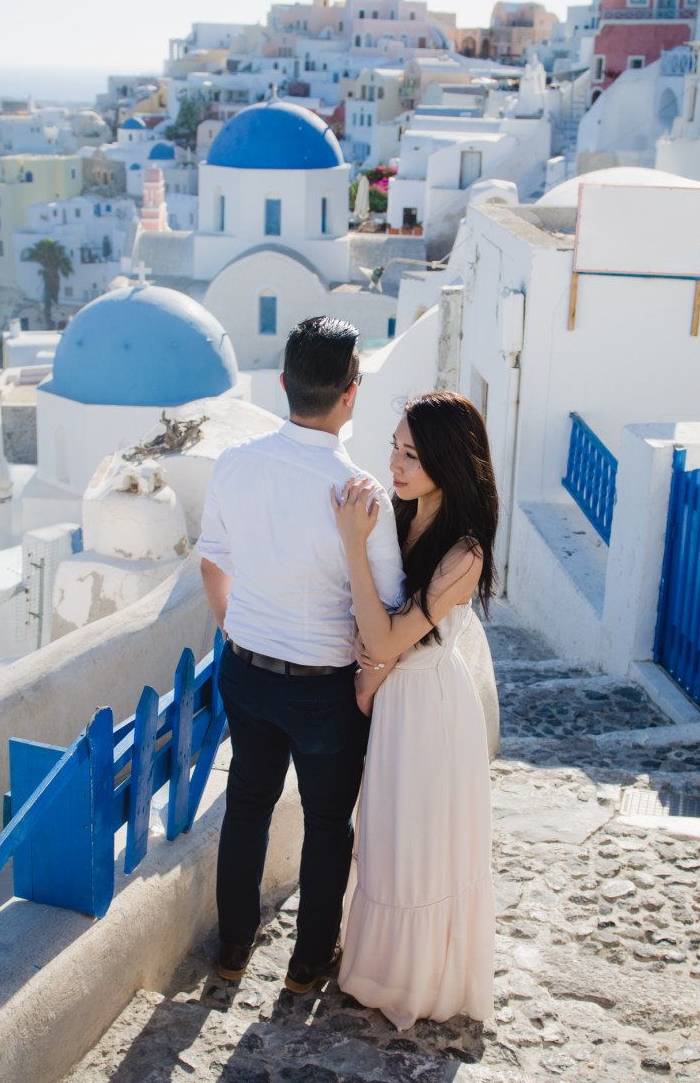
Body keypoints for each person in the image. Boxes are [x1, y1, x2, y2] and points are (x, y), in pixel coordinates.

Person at [198, 316, 404, 994]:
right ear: (352, 394)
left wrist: (239, 631)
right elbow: (388, 607)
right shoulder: (363, 495)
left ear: (285, 384)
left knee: (247, 807)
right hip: (324, 688)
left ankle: (231, 950)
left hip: (247, 671)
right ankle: (308, 962)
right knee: (325, 825)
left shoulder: (235, 464)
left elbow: (213, 565)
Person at [330, 390, 498, 1031]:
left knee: (422, 844)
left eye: (412, 455)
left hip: (432, 709)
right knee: (387, 839)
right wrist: (373, 680)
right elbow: (370, 629)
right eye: (394, 449)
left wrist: (353, 545)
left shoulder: (465, 553)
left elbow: (385, 637)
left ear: (449, 464)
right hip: (398, 702)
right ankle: (379, 967)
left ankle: (421, 979)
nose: (395, 466)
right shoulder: (401, 520)